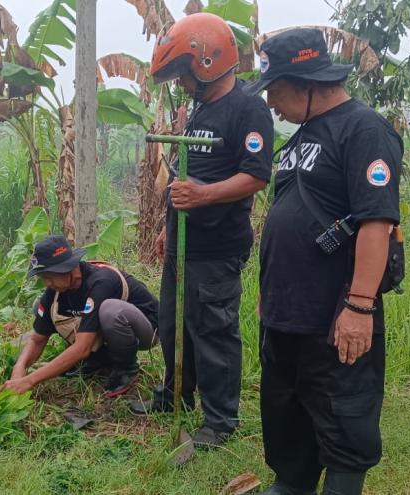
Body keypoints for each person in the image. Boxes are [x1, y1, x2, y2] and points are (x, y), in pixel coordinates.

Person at [245, 28, 402, 494]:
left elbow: (377, 222)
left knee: (342, 418)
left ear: (306, 83)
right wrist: (268, 292)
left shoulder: (364, 129)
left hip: (333, 312)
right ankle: (291, 484)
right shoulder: (301, 136)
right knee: (286, 411)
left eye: (275, 90)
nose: (271, 104)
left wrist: (359, 306)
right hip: (286, 310)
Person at [128, 13, 274, 448]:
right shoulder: (201, 107)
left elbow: (256, 175)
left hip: (216, 246)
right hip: (182, 239)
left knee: (212, 330)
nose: (182, 83)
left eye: (184, 73)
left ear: (208, 61)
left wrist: (204, 196)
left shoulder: (248, 108)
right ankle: (174, 395)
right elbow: (185, 171)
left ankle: (219, 419)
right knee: (174, 322)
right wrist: (168, 226)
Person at [0, 235, 159, 398]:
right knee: (41, 306)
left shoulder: (101, 281)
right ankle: (98, 361)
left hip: (146, 330)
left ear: (67, 268)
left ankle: (126, 369)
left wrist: (29, 381)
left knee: (110, 311)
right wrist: (20, 367)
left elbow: (82, 348)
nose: (47, 283)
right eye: (43, 278)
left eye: (49, 276)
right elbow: (37, 339)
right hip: (108, 330)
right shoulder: (55, 291)